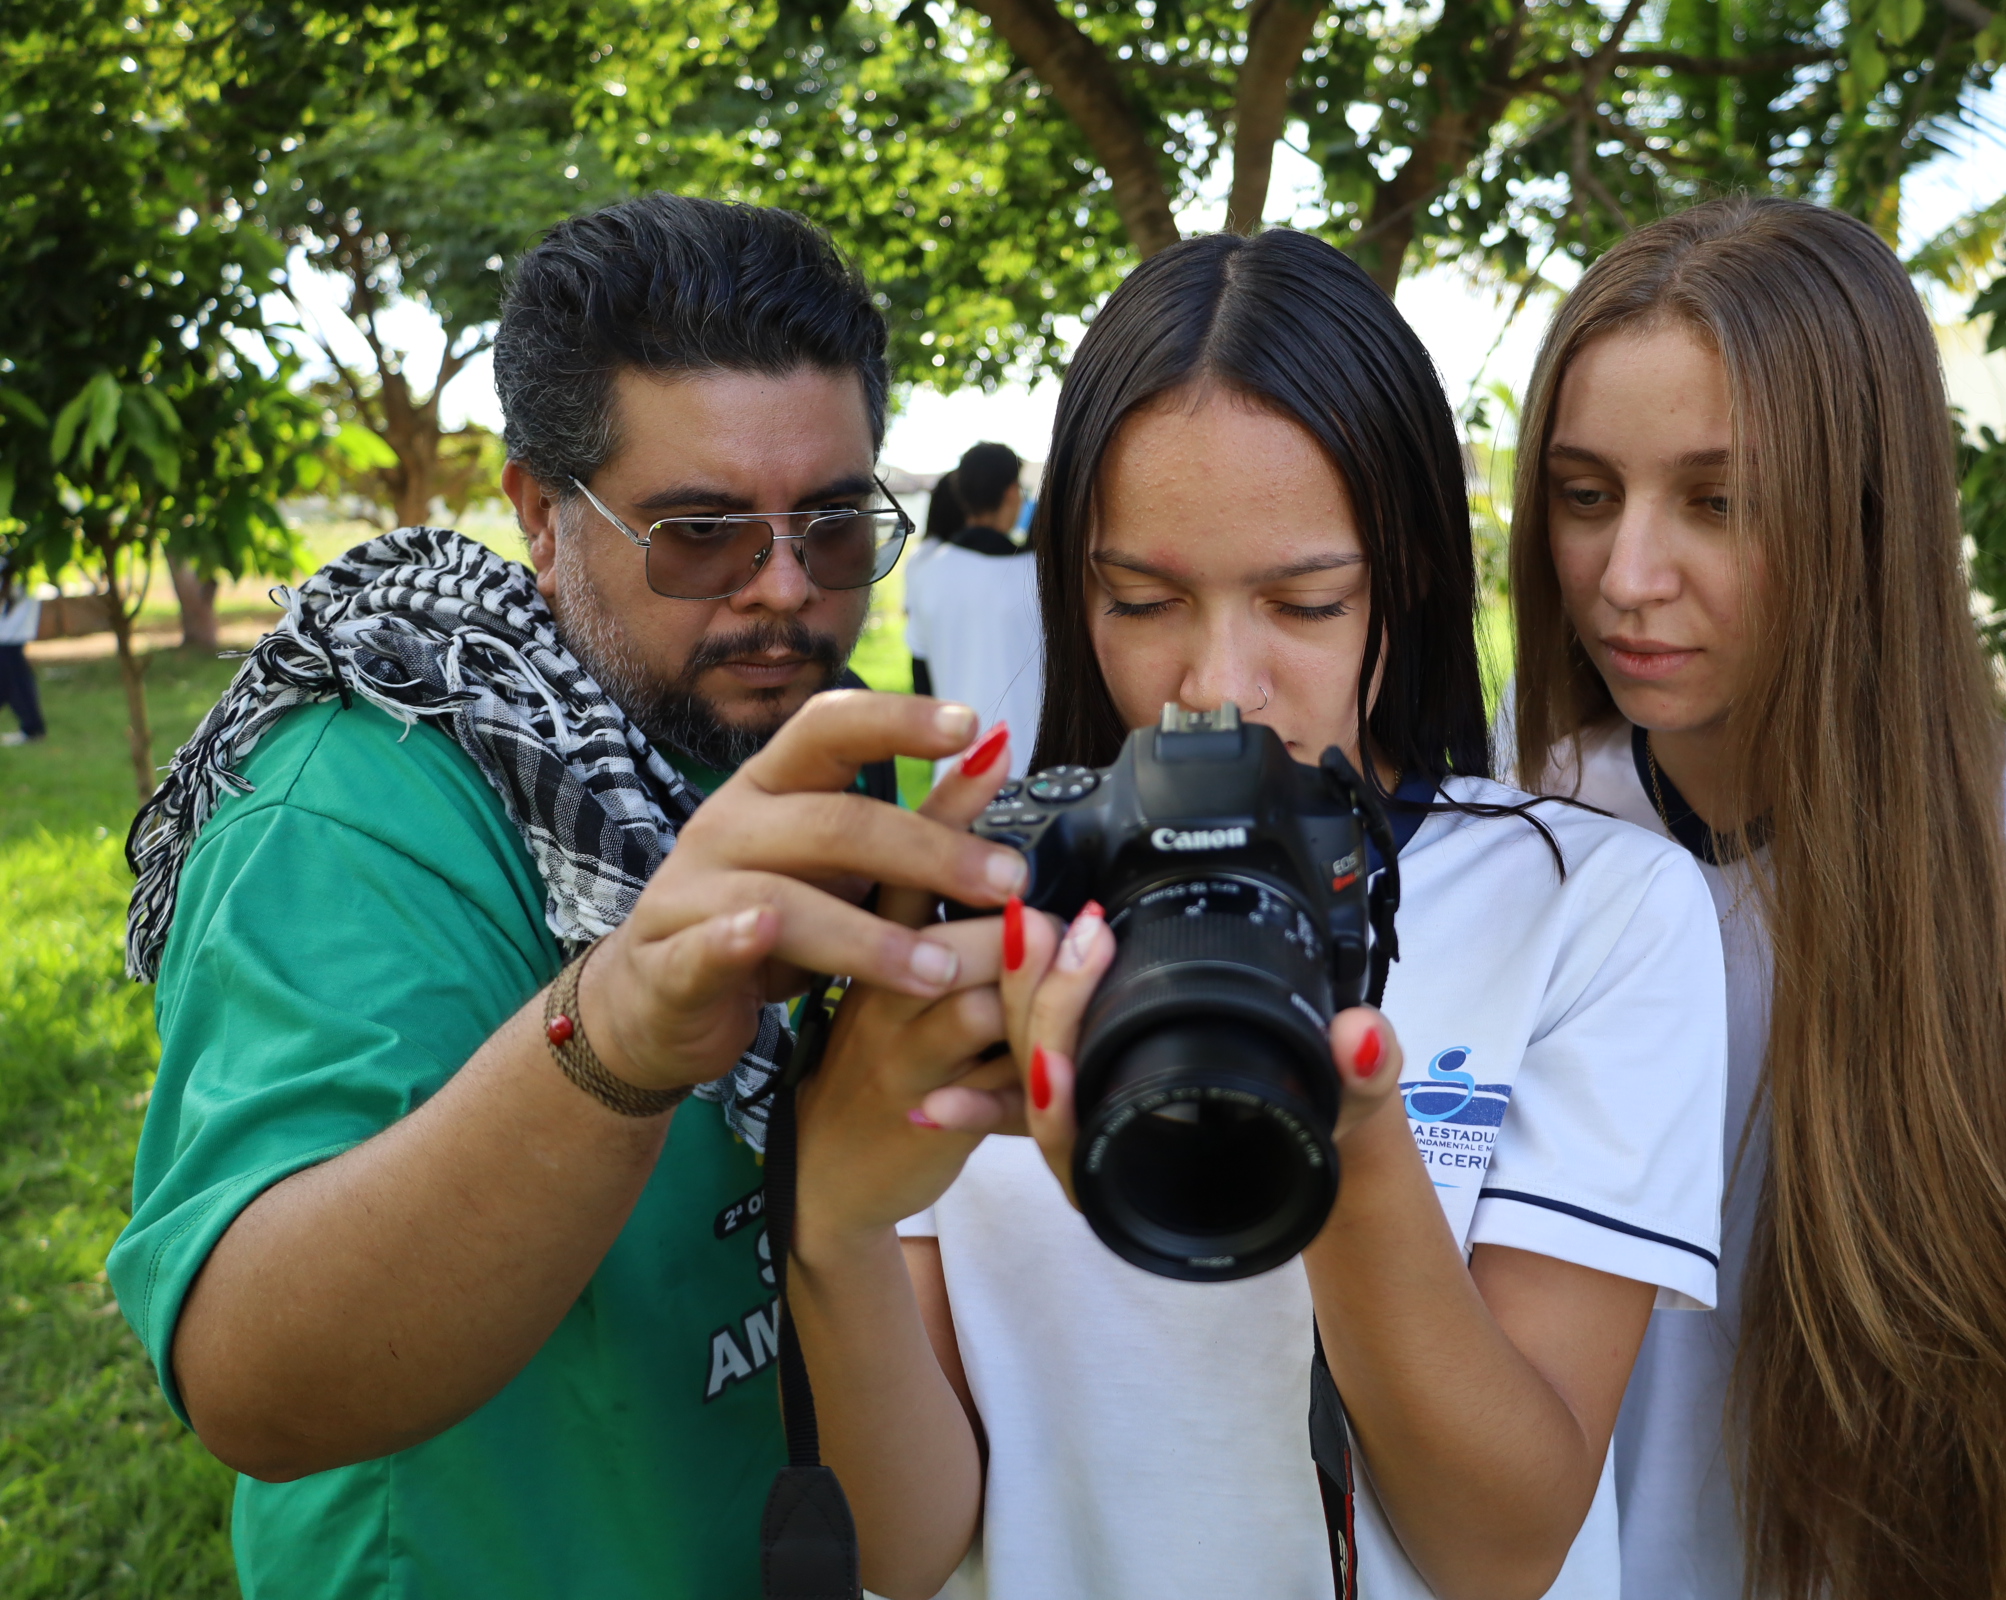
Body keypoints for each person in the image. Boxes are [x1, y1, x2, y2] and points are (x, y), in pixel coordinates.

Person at [775, 228, 1731, 1600]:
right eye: (1144, 600)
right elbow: (912, 1543)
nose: (1217, 684)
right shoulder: (986, 894)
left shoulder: (1590, 909)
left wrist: (1342, 1129)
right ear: (1075, 586)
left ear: (1401, 578)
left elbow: (1503, 1548)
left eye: (1306, 600)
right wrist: (837, 1228)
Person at [106, 194, 1032, 1599]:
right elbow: (253, 1384)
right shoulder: (359, 804)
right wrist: (615, 1036)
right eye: (701, 531)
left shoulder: (803, 746)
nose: (786, 595)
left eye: (835, 526)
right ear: (543, 513)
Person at [1503, 196, 2006, 1600]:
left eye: (1719, 501)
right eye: (1586, 494)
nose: (1627, 577)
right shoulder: (1502, 822)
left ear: (1868, 508)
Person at [906, 441, 1042, 778]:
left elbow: (922, 684)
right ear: (1012, 492)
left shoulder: (925, 571)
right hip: (1031, 776)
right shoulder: (1041, 575)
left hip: (954, 775)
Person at [0, 563, 45, 746]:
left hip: (10, 635)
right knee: (7, 682)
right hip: (9, 633)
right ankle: (32, 727)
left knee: (16, 681)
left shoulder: (16, 562)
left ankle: (33, 729)